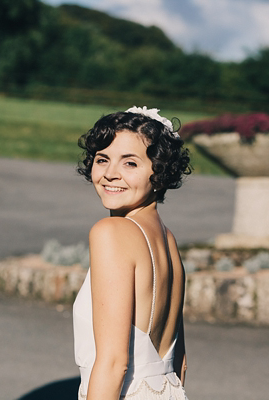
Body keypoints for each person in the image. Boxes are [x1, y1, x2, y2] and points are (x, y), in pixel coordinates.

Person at [73, 106, 191, 399]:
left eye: (130, 163)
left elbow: (114, 364)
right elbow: (181, 363)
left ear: (160, 172)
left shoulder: (112, 232)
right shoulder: (168, 240)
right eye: (102, 159)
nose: (111, 174)